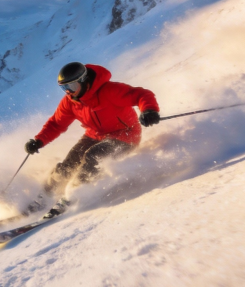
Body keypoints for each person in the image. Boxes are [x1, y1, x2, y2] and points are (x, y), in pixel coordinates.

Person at [24, 62, 160, 215]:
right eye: (64, 88)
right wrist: (39, 141)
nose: (69, 91)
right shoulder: (71, 101)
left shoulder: (109, 91)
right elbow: (56, 123)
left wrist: (149, 110)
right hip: (94, 135)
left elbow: (142, 94)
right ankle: (45, 196)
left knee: (93, 156)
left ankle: (72, 195)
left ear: (83, 80)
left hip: (125, 135)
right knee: (70, 162)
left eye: (72, 86)